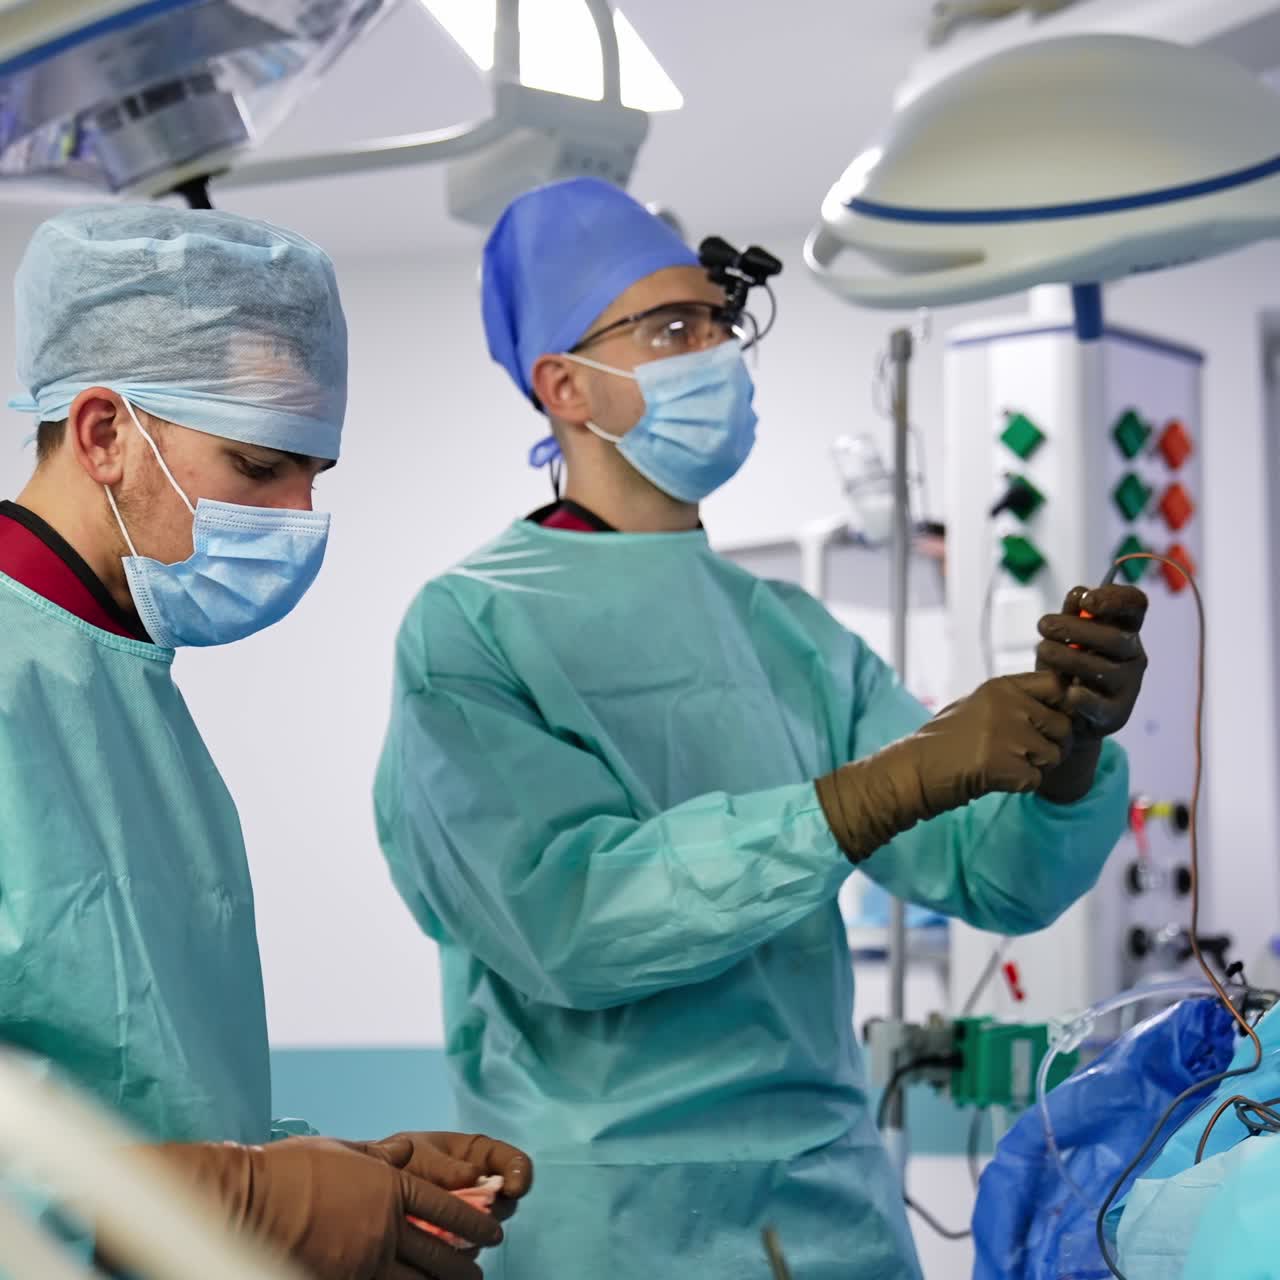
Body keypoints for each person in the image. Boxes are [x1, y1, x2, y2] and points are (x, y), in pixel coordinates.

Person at [374, 177, 1147, 1279]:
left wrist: (1064, 750)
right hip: (618, 1223)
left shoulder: (788, 635)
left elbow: (994, 876)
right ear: (564, 386)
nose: (717, 350)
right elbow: (569, 922)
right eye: (672, 327)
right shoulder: (473, 626)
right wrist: (867, 794)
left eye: (721, 321)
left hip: (831, 1210)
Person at [0, 206, 531, 1280]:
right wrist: (232, 1195)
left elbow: (137, 1075)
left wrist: (313, 1171)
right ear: (101, 432)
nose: (297, 516)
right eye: (255, 466)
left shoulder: (123, 691)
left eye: (312, 479)